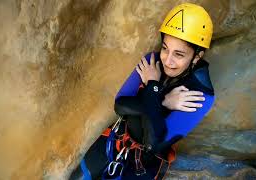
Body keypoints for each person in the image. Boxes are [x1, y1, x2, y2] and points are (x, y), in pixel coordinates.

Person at [69, 3, 215, 180]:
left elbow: (153, 142)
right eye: (165, 48)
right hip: (116, 140)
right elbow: (120, 105)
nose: (167, 61)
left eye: (179, 54)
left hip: (143, 164)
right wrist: (163, 100)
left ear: (197, 56)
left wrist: (152, 85)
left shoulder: (201, 96)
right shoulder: (151, 62)